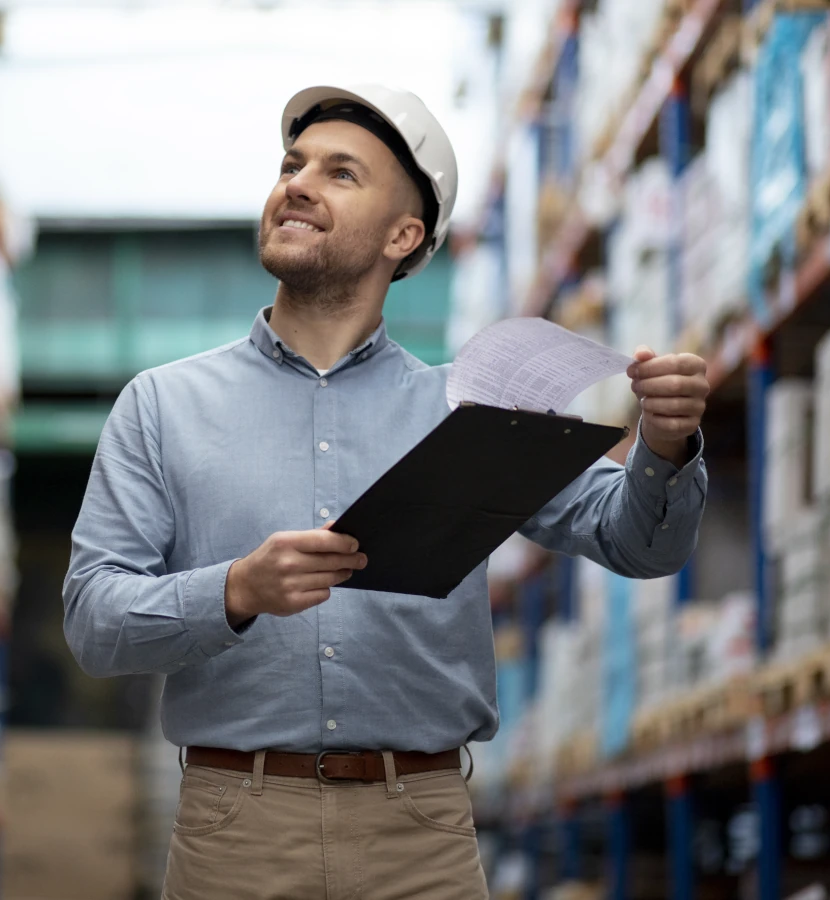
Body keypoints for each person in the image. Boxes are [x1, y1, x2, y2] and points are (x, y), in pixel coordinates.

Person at [63, 84, 710, 899]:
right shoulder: (163, 406)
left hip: (423, 838)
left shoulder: (473, 416)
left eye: (340, 174)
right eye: (291, 165)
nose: (296, 183)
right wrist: (233, 590)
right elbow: (93, 621)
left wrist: (665, 444)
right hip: (236, 836)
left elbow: (641, 544)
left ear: (404, 236)